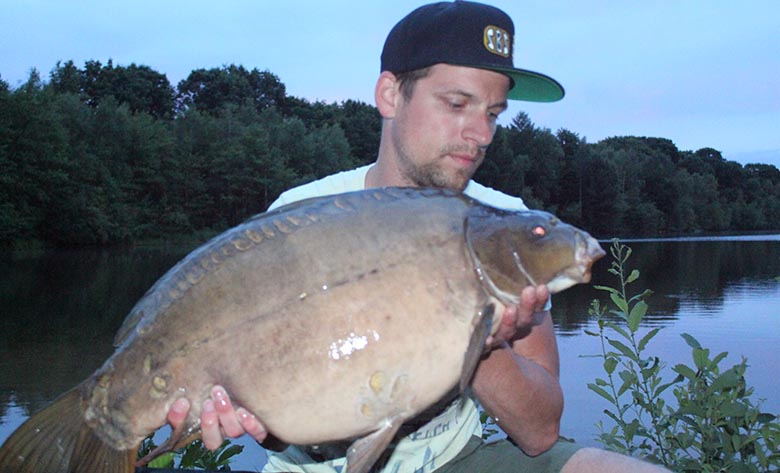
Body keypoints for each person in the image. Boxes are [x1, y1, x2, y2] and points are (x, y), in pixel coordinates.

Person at [167, 2, 669, 472]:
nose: (482, 134)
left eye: (493, 113)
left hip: (457, 457)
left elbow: (540, 432)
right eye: (457, 104)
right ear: (390, 94)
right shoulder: (300, 218)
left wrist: (481, 342)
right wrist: (248, 414)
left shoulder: (506, 227)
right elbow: (279, 429)